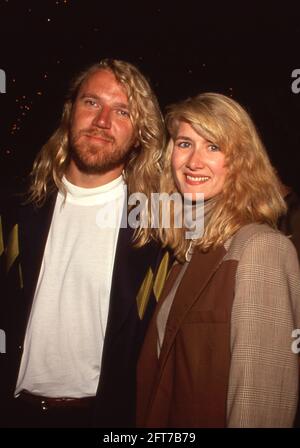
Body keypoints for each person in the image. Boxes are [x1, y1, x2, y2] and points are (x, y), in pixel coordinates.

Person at [0, 58, 169, 428]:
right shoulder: (16, 208)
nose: (102, 121)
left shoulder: (157, 228)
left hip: (103, 419)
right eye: (92, 102)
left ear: (140, 132)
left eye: (122, 111)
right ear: (70, 111)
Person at [136, 93, 300, 428]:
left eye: (214, 146)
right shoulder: (189, 250)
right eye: (185, 143)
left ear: (241, 161)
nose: (194, 161)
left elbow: (260, 404)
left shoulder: (261, 249)